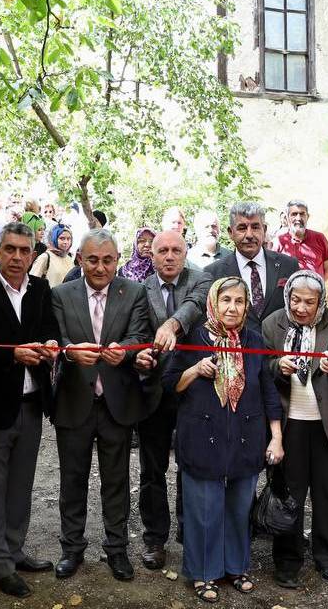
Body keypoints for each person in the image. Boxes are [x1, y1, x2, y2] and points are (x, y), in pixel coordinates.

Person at [163, 277, 284, 604]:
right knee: (205, 507)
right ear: (213, 304)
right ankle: (203, 572)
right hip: (203, 434)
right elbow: (169, 384)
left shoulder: (254, 341)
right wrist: (194, 370)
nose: (232, 307)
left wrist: (276, 438)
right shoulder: (193, 338)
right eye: (226, 300)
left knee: (239, 506)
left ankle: (235, 567)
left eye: (239, 301)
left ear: (247, 306)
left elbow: (269, 392)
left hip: (246, 435)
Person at [49, 229, 158, 582]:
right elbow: (58, 337)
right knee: (72, 480)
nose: (100, 267)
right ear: (80, 259)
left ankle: (117, 550)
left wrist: (123, 350)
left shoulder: (135, 292)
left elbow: (139, 335)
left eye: (107, 260)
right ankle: (71, 550)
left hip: (117, 402)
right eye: (92, 260)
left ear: (117, 261)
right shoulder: (61, 294)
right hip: (74, 401)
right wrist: (68, 351)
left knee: (116, 481)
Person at [0, 222, 61, 599]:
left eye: (25, 251)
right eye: (10, 249)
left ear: (33, 254)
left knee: (21, 485)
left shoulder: (41, 289)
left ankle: (14, 548)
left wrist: (52, 345)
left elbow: (49, 329)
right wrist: (12, 355)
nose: (18, 257)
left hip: (31, 403)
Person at [263, 270, 328, 588]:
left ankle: (327, 556)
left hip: (327, 420)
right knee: (290, 493)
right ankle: (288, 560)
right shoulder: (272, 323)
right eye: (296, 300)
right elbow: (262, 368)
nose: (302, 308)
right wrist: (278, 367)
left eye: (310, 302)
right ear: (288, 297)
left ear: (321, 302)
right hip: (291, 423)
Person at [136, 230, 212, 570]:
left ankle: (188, 530)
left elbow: (194, 307)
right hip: (154, 391)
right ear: (151, 255)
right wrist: (141, 355)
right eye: (162, 250)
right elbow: (137, 332)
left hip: (192, 388)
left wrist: (170, 325)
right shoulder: (142, 288)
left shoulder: (201, 279)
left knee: (190, 464)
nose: (169, 256)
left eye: (176, 250)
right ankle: (155, 537)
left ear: (186, 252)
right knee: (152, 469)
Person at [201, 202, 301, 333]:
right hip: (236, 350)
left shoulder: (289, 265)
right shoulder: (213, 273)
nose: (249, 235)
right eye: (242, 228)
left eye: (255, 227)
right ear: (230, 233)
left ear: (264, 230)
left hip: (280, 350)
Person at [274, 200, 328, 279]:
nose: (298, 218)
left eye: (302, 214)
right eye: (294, 214)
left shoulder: (320, 238)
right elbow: (273, 272)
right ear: (287, 217)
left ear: (307, 217)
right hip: (287, 290)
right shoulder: (280, 241)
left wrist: (317, 287)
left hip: (315, 290)